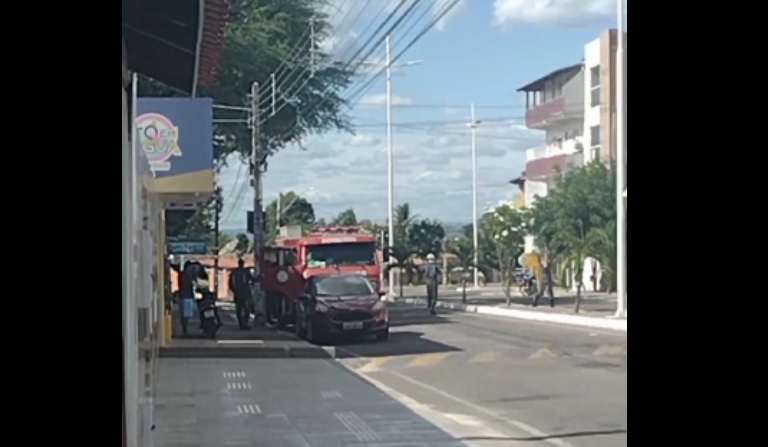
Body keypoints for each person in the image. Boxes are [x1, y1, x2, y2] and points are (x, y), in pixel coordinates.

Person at [229, 259, 254, 330]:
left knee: (240, 309)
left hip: (239, 292)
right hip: (245, 292)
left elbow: (230, 283)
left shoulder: (235, 272)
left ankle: (242, 324)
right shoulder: (245, 271)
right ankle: (244, 323)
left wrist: (234, 290)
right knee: (246, 308)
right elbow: (251, 279)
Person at [177, 261, 198, 336]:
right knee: (186, 315)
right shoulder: (188, 275)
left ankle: (184, 330)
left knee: (184, 315)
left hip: (183, 296)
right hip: (187, 296)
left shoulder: (183, 274)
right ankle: (185, 330)